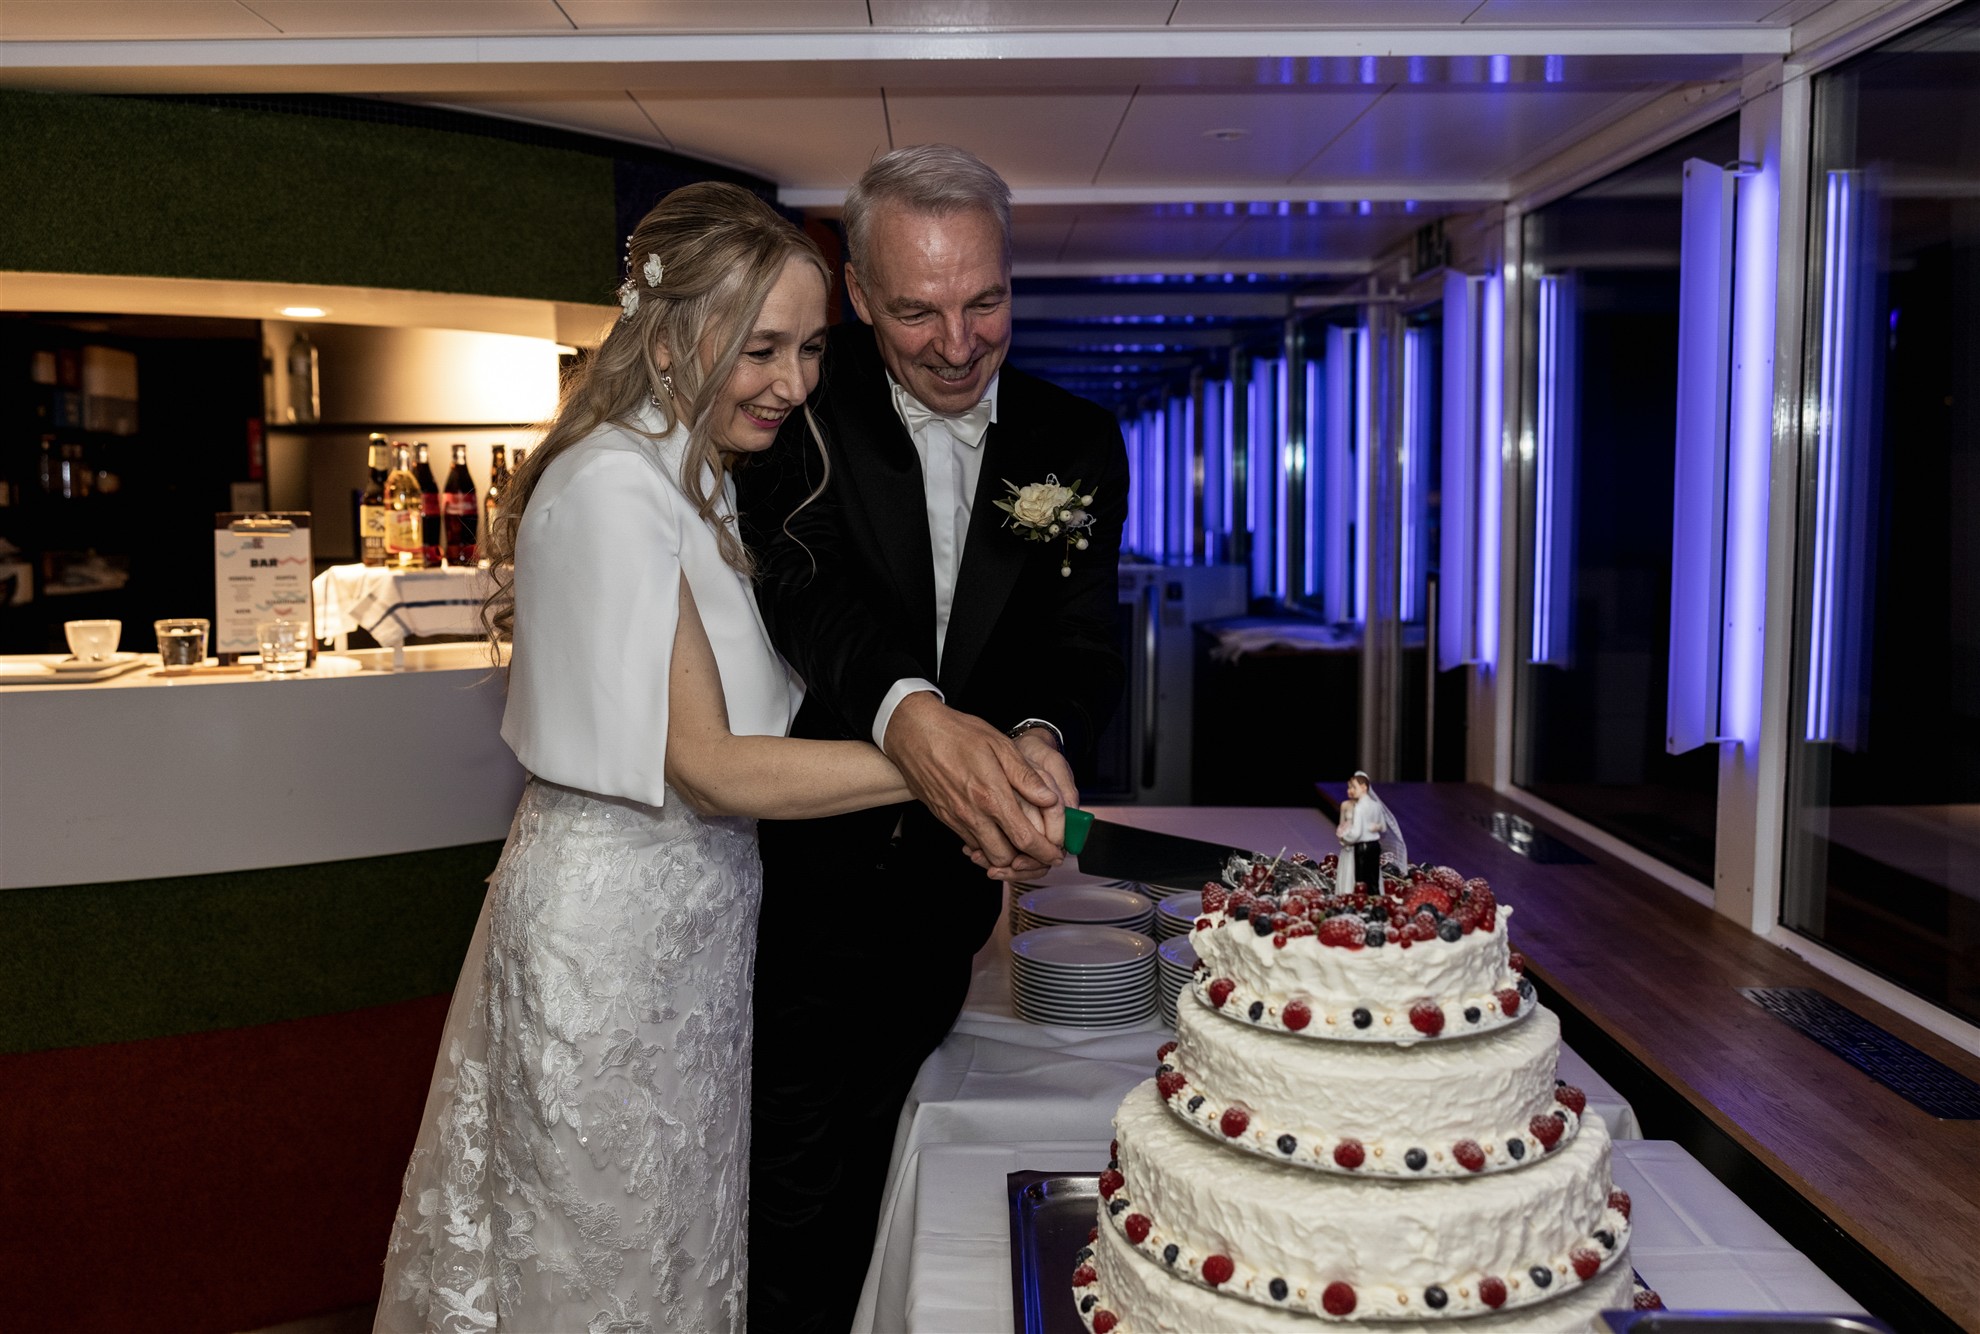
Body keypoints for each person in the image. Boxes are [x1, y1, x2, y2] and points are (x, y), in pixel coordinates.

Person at [373, 182, 915, 1334]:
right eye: (761, 346)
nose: (796, 381)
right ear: (666, 332)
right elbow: (712, 765)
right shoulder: (620, 482)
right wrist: (939, 764)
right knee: (598, 1258)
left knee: (674, 1245)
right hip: (609, 937)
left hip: (691, 922)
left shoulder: (694, 470)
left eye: (814, 348)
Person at [737, 144, 1131, 1332]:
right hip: (795, 891)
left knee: (904, 1181)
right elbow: (806, 592)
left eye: (987, 301)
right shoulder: (796, 414)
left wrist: (1044, 742)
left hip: (945, 909)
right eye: (916, 310)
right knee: (797, 1213)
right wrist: (916, 719)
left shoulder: (1078, 440)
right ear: (856, 293)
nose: (958, 344)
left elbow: (1078, 643)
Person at [1337, 770, 1407, 892]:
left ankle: (1358, 897)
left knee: (1361, 877)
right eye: (1349, 787)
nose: (1350, 790)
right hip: (1373, 845)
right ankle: (1373, 898)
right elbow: (1383, 827)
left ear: (1363, 788)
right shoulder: (1374, 805)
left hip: (1359, 845)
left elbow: (1357, 833)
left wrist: (1345, 839)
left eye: (1353, 787)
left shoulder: (1360, 808)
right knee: (1372, 876)